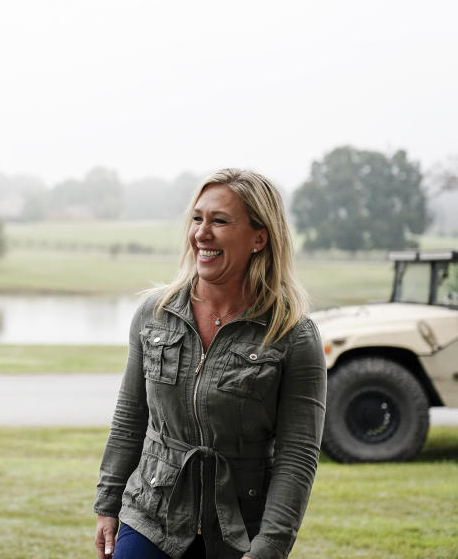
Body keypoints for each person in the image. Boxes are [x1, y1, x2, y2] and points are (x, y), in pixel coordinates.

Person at [93, 168, 326, 559]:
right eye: (198, 219)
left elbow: (297, 454)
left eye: (219, 221)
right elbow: (130, 417)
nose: (201, 233)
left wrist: (271, 544)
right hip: (151, 511)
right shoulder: (155, 314)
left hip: (240, 527)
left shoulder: (294, 335)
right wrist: (107, 504)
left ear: (259, 238)